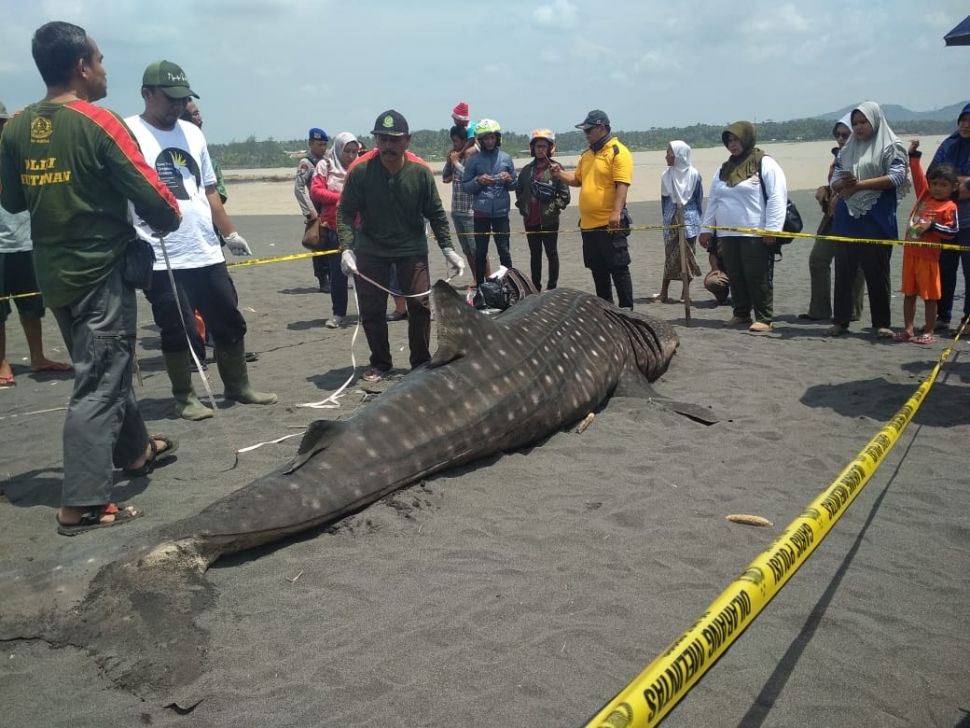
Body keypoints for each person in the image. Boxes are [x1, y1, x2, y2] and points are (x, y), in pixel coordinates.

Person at [0, 21, 181, 532]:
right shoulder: (99, 123)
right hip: (100, 274)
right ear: (81, 67)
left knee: (105, 368)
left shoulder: (15, 128)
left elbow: (12, 199)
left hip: (54, 276)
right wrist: (172, 216)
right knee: (99, 382)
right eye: (100, 60)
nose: (104, 70)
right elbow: (155, 198)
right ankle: (81, 502)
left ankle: (136, 451)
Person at [126, 59, 276, 420]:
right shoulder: (128, 133)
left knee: (228, 319)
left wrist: (230, 233)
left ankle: (238, 386)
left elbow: (207, 191)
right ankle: (185, 397)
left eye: (184, 99)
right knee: (177, 328)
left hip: (205, 249)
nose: (180, 106)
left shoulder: (192, 133)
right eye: (171, 99)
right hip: (160, 254)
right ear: (148, 94)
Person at [336, 109, 465, 382]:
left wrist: (448, 249)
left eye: (394, 139)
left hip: (411, 248)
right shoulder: (360, 171)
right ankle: (381, 362)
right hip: (370, 248)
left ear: (407, 140)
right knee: (372, 311)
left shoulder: (419, 172)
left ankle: (420, 361)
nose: (387, 145)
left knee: (419, 305)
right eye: (382, 139)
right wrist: (346, 248)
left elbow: (436, 213)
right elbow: (345, 212)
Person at [0, 102, 72, 387]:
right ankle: (2, 361)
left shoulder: (18, 152)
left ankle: (38, 356)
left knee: (32, 304)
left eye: (2, 122)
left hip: (27, 240)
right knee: (0, 309)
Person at [827, 102, 910, 338]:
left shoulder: (891, 146)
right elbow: (835, 178)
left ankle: (881, 323)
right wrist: (843, 185)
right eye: (855, 123)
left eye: (863, 122)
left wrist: (859, 185)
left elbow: (897, 176)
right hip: (847, 216)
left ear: (875, 121)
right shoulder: (848, 148)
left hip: (876, 217)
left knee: (877, 271)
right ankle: (840, 320)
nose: (859, 127)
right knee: (844, 271)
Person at [699, 121, 787, 332]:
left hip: (755, 232)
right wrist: (707, 229)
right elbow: (714, 200)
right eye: (729, 140)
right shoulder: (724, 168)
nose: (733, 144)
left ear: (747, 139)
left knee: (757, 275)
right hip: (727, 234)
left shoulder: (764, 163)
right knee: (735, 275)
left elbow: (777, 196)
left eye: (737, 139)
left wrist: (772, 229)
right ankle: (741, 313)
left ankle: (765, 317)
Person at [553, 109, 634, 309]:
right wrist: (560, 174)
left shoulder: (618, 151)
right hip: (588, 225)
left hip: (610, 223)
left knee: (619, 269)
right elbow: (578, 180)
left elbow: (622, 184)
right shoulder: (586, 155)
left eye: (588, 130)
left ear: (601, 127)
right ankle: (607, 310)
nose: (586, 135)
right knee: (598, 270)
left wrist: (616, 212)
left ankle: (627, 312)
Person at [893, 140, 958, 344]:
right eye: (935, 184)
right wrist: (914, 156)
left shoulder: (950, 206)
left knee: (930, 296)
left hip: (929, 258)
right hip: (910, 254)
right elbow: (918, 177)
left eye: (943, 185)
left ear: (953, 187)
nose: (937, 189)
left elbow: (952, 231)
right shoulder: (924, 195)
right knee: (909, 293)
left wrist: (932, 226)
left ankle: (929, 331)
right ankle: (908, 330)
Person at [802, 115, 865, 322]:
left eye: (845, 134)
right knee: (818, 259)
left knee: (854, 264)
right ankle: (819, 310)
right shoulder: (838, 157)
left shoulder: (864, 155)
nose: (840, 138)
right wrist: (826, 191)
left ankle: (853, 311)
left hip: (856, 215)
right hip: (833, 217)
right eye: (837, 134)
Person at [310, 132, 360, 328]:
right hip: (334, 226)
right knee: (338, 273)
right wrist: (340, 199)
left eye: (354, 151)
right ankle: (338, 313)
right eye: (347, 151)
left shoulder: (360, 166)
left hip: (361, 227)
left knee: (364, 272)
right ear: (338, 149)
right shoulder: (325, 165)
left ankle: (367, 311)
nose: (351, 155)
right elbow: (316, 191)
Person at [461, 119, 516, 295]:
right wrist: (478, 180)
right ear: (480, 140)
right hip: (481, 213)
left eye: (492, 138)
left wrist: (509, 179)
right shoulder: (473, 160)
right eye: (485, 138)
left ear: (497, 138)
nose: (489, 141)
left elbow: (514, 185)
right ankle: (480, 287)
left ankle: (508, 285)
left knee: (504, 250)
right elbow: (466, 186)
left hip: (501, 213)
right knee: (480, 252)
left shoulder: (506, 158)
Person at [514, 129, 570, 291]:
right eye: (537, 146)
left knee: (551, 254)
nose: (540, 149)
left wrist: (552, 208)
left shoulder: (556, 169)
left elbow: (564, 196)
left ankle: (552, 287)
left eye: (544, 146)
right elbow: (519, 191)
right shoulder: (526, 171)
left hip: (549, 220)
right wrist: (523, 208)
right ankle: (535, 287)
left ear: (550, 148)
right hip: (530, 220)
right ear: (532, 148)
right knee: (535, 255)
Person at [931, 103, 970, 331]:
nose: (966, 125)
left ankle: (967, 320)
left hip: (967, 222)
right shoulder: (949, 144)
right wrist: (959, 184)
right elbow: (933, 175)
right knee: (945, 269)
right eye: (963, 120)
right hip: (944, 217)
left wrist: (951, 184)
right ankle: (943, 316)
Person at [658, 140, 703, 303]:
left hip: (690, 220)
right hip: (671, 219)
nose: (666, 156)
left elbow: (698, 199)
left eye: (669, 153)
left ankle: (686, 293)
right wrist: (667, 220)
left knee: (688, 257)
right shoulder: (666, 175)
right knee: (669, 256)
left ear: (678, 155)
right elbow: (664, 201)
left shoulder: (694, 175)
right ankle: (664, 292)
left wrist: (697, 219)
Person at [442, 124, 487, 282]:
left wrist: (456, 163)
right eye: (452, 142)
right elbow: (445, 178)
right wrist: (450, 161)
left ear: (465, 142)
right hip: (457, 211)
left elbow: (470, 177)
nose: (454, 145)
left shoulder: (473, 156)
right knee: (467, 250)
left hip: (470, 211)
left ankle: (488, 280)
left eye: (456, 142)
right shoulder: (456, 157)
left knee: (478, 250)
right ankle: (477, 279)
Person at [295, 127, 331, 292]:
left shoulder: (327, 160)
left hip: (328, 208)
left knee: (332, 243)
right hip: (315, 210)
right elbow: (299, 189)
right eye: (319, 144)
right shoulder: (306, 163)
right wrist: (310, 213)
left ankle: (333, 277)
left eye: (324, 144)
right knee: (318, 244)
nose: (322, 148)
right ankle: (322, 280)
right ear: (311, 143)